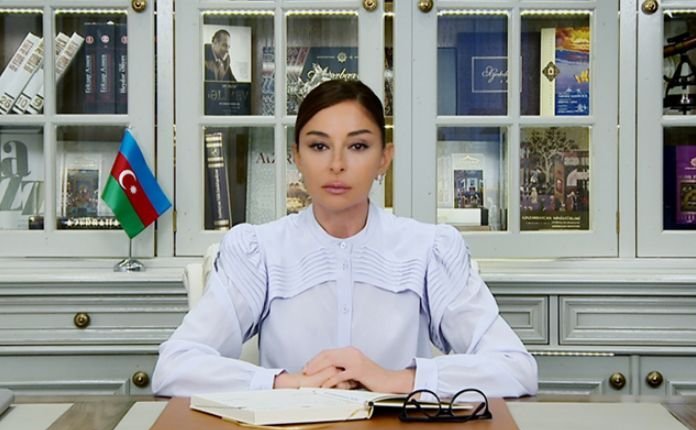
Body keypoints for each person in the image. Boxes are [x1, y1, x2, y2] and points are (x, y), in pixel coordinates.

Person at [152, 79, 537, 398]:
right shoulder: (261, 251)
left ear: (384, 158)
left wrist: (393, 379)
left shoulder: (426, 249)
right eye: (319, 146)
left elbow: (514, 369)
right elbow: (175, 367)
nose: (336, 164)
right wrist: (289, 384)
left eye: (358, 146)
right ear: (297, 156)